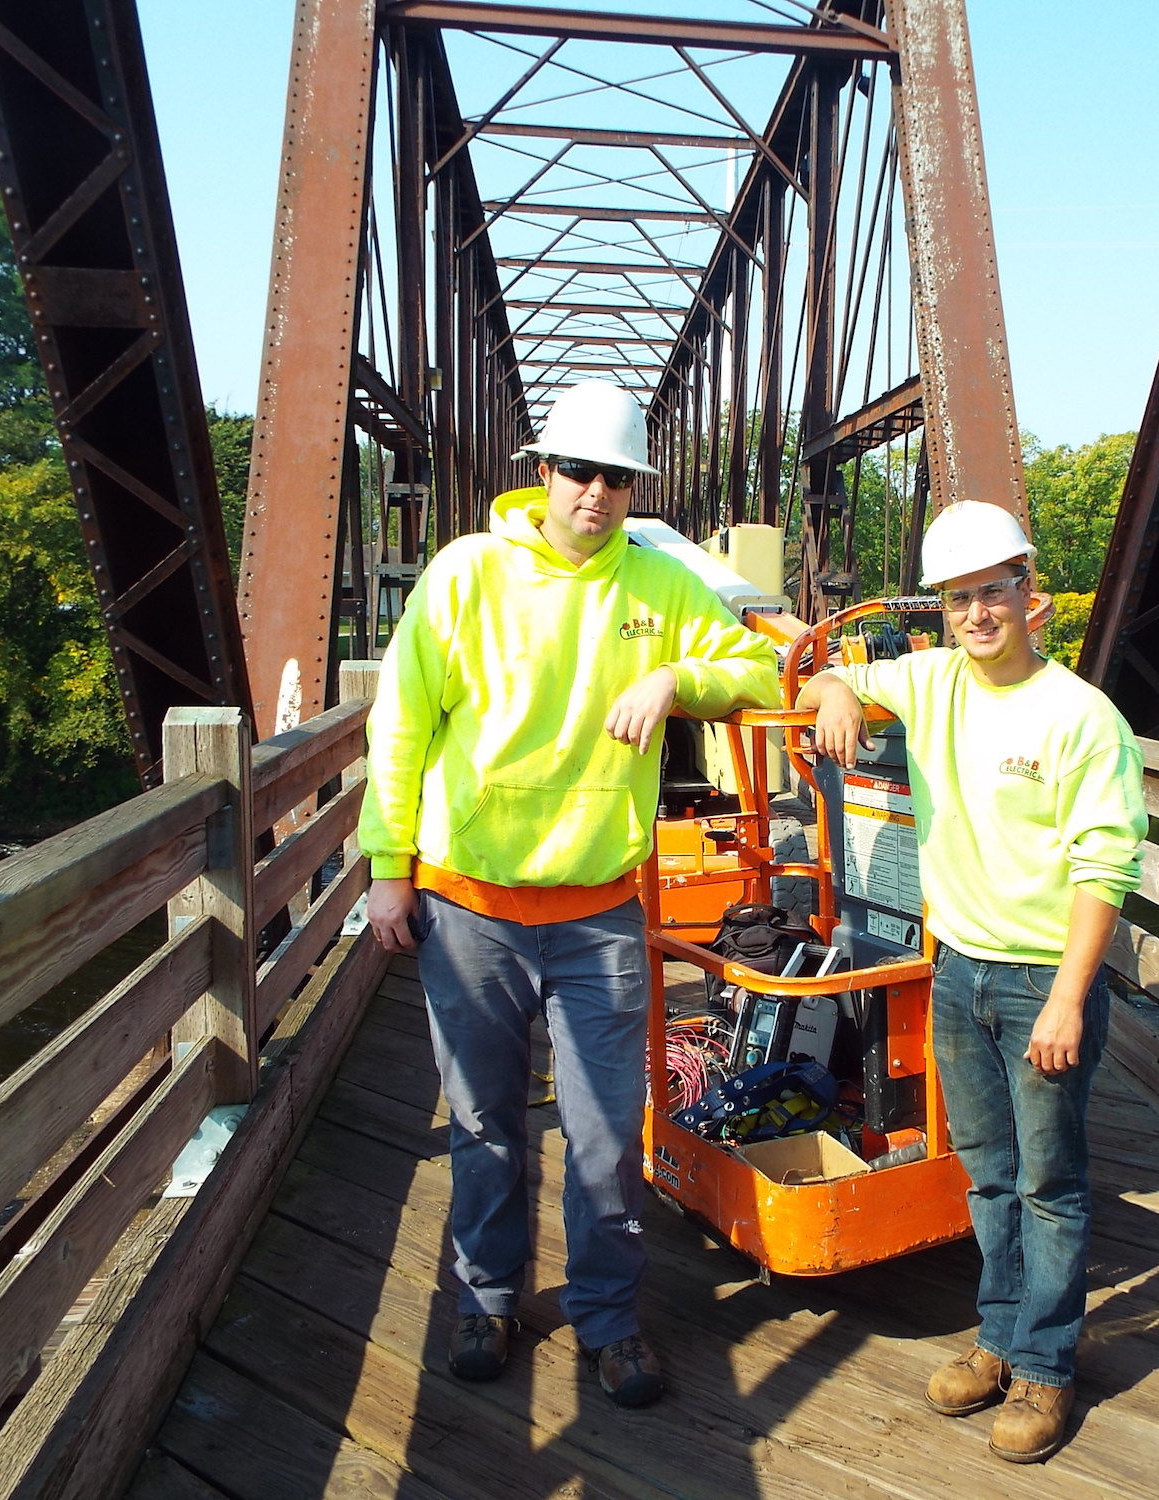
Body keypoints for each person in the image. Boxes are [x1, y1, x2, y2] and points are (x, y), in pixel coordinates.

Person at [359, 381, 779, 1409]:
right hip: (470, 905)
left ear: (633, 488)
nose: (596, 492)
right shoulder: (467, 573)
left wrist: (677, 681)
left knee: (605, 1130)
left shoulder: (659, 583)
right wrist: (386, 868)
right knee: (484, 1122)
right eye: (579, 471)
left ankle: (609, 1318)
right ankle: (486, 1297)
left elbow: (762, 669)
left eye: (617, 477)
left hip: (597, 908)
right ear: (541, 472)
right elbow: (400, 723)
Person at [797, 499, 1146, 1463]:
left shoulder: (1082, 717)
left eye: (994, 591)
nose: (978, 613)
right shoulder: (931, 680)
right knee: (988, 1175)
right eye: (958, 598)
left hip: (1042, 982)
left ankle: (1045, 1366)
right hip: (957, 970)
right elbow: (823, 668)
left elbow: (1106, 869)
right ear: (942, 610)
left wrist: (1069, 1000)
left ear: (1030, 593)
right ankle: (998, 1337)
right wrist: (836, 691)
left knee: (1050, 1183)